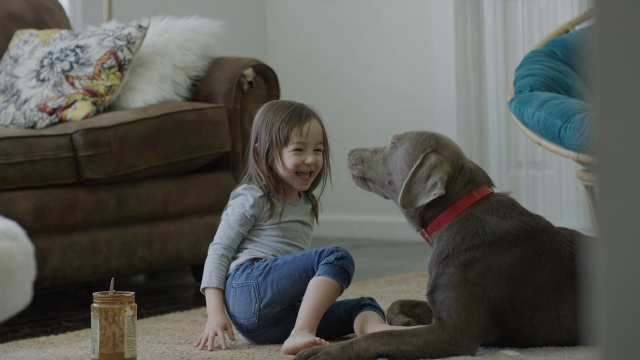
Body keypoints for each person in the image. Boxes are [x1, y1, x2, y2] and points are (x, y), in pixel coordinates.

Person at [194, 100, 407, 355]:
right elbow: (219, 251)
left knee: (364, 305)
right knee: (336, 257)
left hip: (270, 322)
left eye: (318, 150)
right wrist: (215, 313)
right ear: (265, 153)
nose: (311, 159)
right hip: (247, 287)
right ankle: (301, 331)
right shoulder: (252, 197)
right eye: (298, 150)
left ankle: (378, 334)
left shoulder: (305, 202)